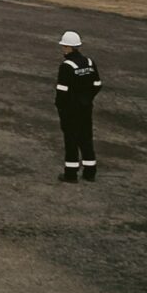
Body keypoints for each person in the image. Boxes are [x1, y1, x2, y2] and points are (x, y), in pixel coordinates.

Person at [55, 30, 103, 182]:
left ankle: (71, 174)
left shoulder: (67, 66)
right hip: (86, 107)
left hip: (70, 109)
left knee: (71, 140)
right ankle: (90, 172)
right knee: (86, 138)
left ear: (68, 47)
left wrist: (61, 107)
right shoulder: (89, 62)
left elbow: (61, 91)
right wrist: (87, 98)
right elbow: (97, 84)